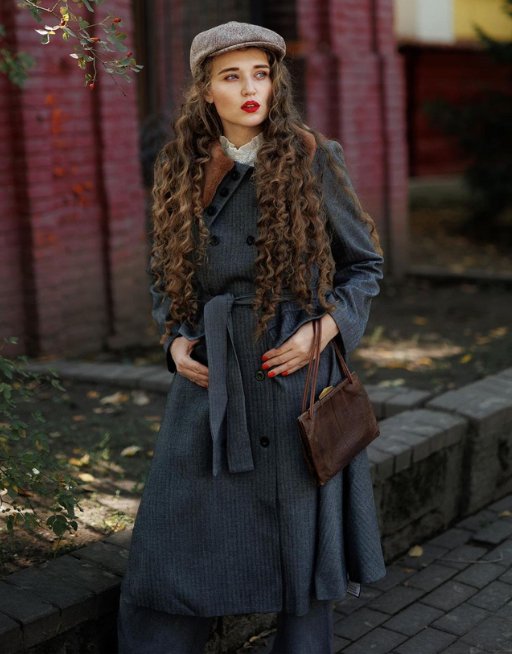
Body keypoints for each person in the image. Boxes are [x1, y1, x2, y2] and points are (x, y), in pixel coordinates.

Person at [117, 21, 386, 654]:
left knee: (298, 554)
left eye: (260, 74)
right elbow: (166, 269)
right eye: (231, 76)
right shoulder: (182, 164)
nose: (249, 89)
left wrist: (325, 330)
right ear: (205, 90)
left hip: (289, 376)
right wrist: (176, 341)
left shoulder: (311, 155)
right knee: (170, 542)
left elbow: (364, 267)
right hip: (211, 381)